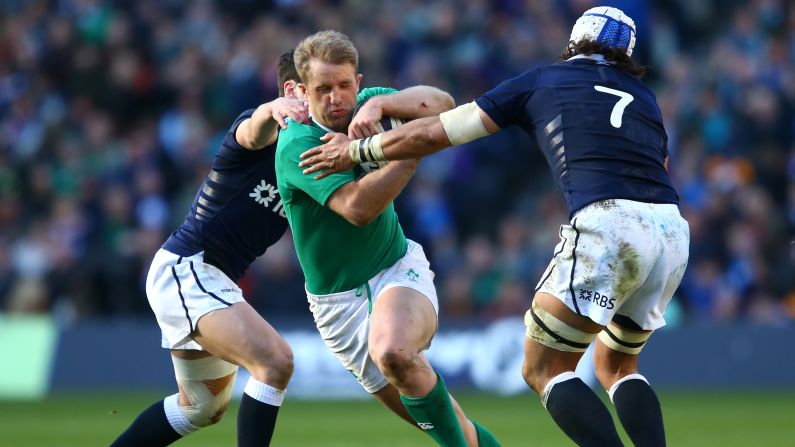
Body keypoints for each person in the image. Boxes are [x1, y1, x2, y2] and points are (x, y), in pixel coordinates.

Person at [300, 8, 690, 447]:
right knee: (618, 366)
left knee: (544, 368)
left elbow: (440, 131)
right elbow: (661, 166)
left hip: (610, 222)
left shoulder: (545, 79)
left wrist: (357, 152)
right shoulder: (644, 98)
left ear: (573, 42)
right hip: (670, 229)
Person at [275, 30, 500, 447]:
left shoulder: (367, 103)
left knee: (394, 351)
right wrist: (409, 151)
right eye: (323, 89)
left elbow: (444, 104)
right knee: (458, 430)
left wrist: (381, 103)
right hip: (338, 308)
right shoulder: (297, 142)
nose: (337, 97)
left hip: (395, 268)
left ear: (358, 82)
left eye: (345, 85)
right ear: (304, 93)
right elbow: (358, 209)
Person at [110, 51, 309, 447]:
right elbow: (253, 129)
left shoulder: (314, 157)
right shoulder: (260, 132)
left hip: (211, 279)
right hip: (188, 267)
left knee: (200, 408)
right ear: (294, 91)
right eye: (321, 88)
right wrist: (272, 108)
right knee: (275, 361)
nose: (334, 99)